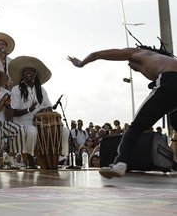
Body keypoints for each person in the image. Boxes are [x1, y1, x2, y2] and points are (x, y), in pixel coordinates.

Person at [68, 44, 177, 178]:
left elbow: (98, 54)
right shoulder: (163, 60)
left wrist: (81, 63)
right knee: (175, 120)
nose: (129, 65)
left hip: (169, 81)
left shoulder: (138, 53)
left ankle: (120, 163)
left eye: (129, 63)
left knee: (136, 127)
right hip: (172, 83)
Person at [9, 56, 69, 168]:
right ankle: (29, 157)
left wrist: (44, 110)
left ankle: (61, 154)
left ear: (35, 73)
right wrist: (28, 110)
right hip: (23, 122)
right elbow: (13, 111)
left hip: (41, 122)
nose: (28, 73)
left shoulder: (41, 90)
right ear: (22, 74)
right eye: (26, 71)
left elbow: (50, 107)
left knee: (64, 131)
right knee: (32, 131)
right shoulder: (16, 89)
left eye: (31, 70)